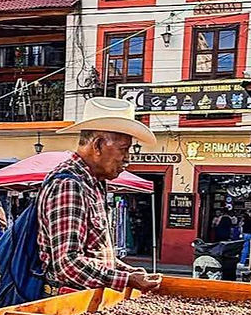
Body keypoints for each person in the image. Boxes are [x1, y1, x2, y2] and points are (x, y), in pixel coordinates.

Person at [38, 96, 163, 294]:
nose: (127, 158)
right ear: (97, 146)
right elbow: (68, 264)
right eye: (124, 149)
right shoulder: (70, 185)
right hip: (67, 303)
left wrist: (128, 272)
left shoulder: (93, 183)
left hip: (84, 299)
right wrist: (127, 279)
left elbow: (96, 254)